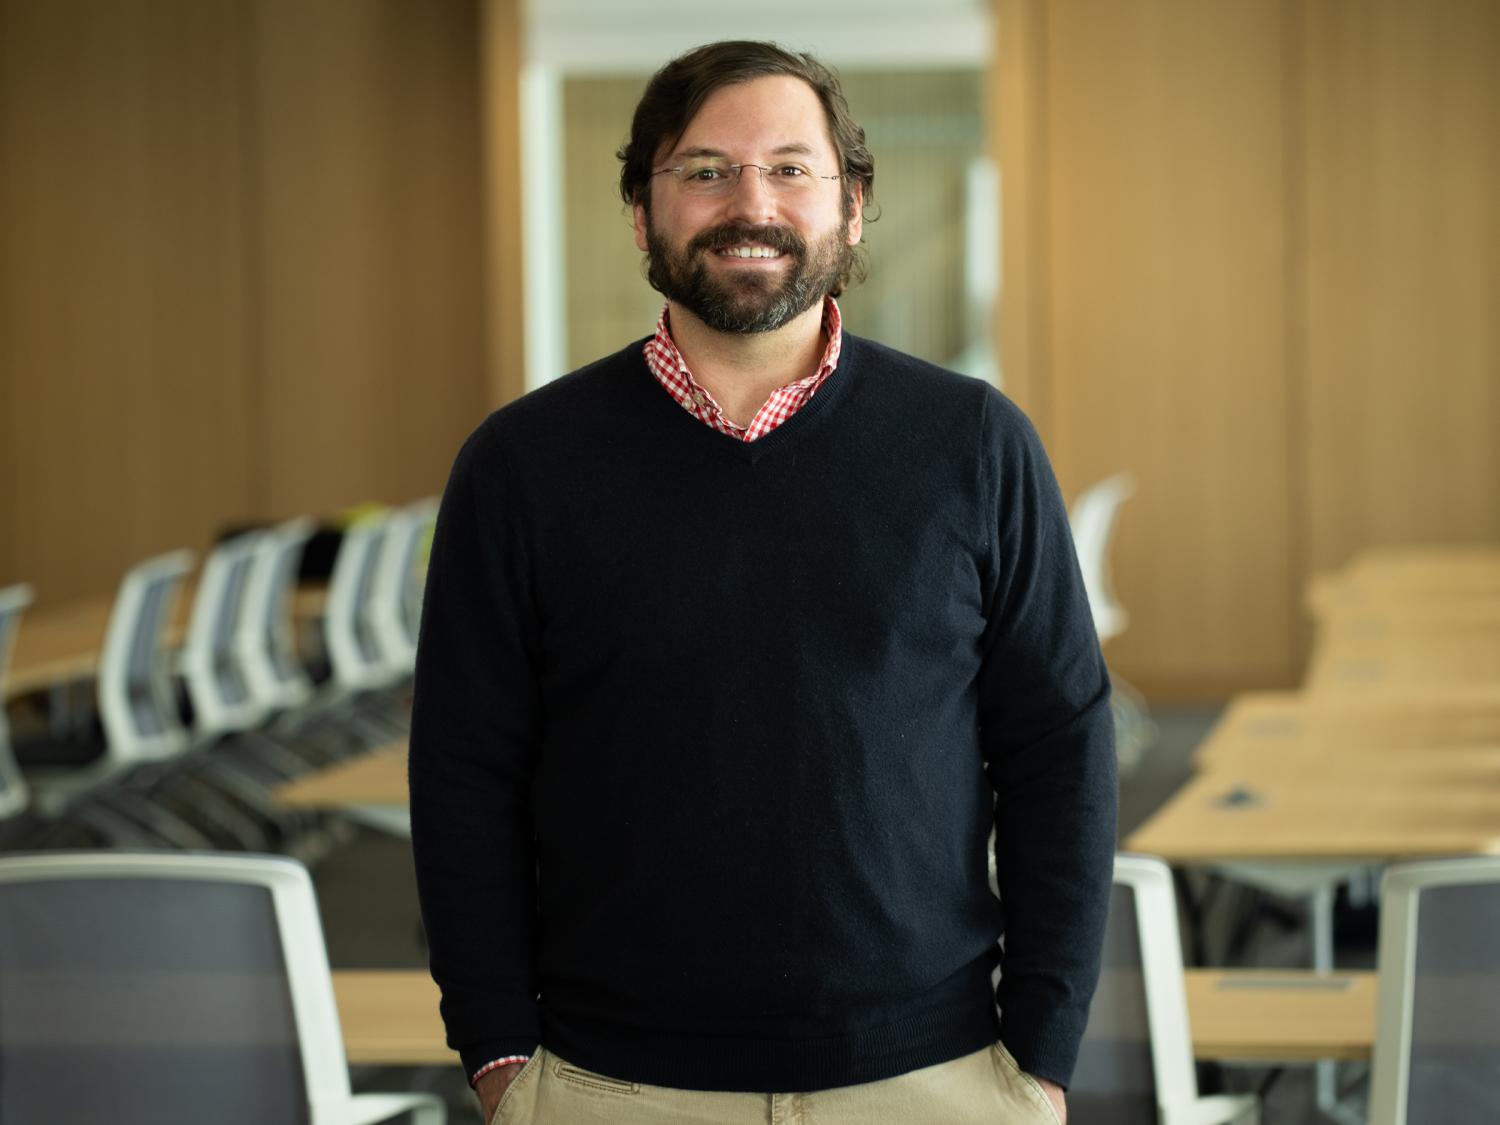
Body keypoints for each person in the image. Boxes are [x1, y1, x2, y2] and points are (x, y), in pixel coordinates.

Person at [409, 40, 1117, 1125]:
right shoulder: (520, 467)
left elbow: (1060, 748)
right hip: (611, 1087)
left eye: (791, 168)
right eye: (706, 170)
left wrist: (1042, 1053)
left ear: (852, 206)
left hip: (933, 1079)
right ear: (641, 213)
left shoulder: (975, 445)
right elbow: (464, 771)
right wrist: (498, 1048)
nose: (752, 203)